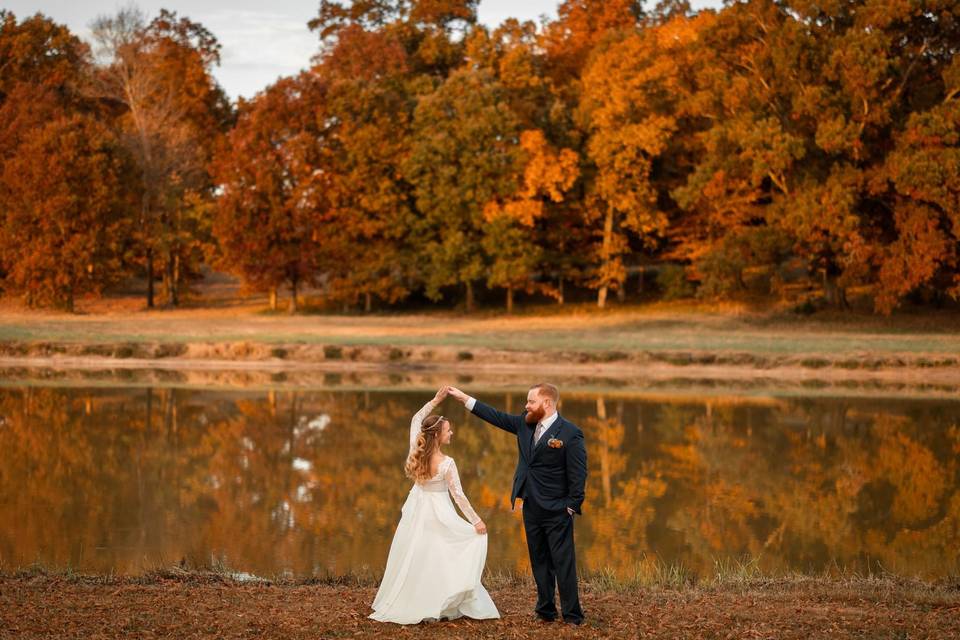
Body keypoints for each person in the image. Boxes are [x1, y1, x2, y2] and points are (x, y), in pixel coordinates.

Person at [447, 383, 587, 625]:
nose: (526, 406)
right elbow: (495, 416)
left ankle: (573, 615)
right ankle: (545, 611)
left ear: (547, 403)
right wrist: (464, 399)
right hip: (530, 506)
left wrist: (571, 506)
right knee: (539, 560)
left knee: (563, 562)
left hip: (558, 510)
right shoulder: (524, 424)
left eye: (531, 401)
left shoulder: (570, 433)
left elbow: (579, 473)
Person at [369, 386, 500, 625]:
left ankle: (416, 597)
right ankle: (435, 600)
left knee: (416, 552)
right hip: (439, 511)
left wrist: (436, 400)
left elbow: (416, 418)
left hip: (417, 508)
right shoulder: (447, 463)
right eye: (449, 430)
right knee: (439, 553)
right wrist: (476, 520)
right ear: (438, 435)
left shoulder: (416, 449)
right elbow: (458, 496)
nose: (452, 433)